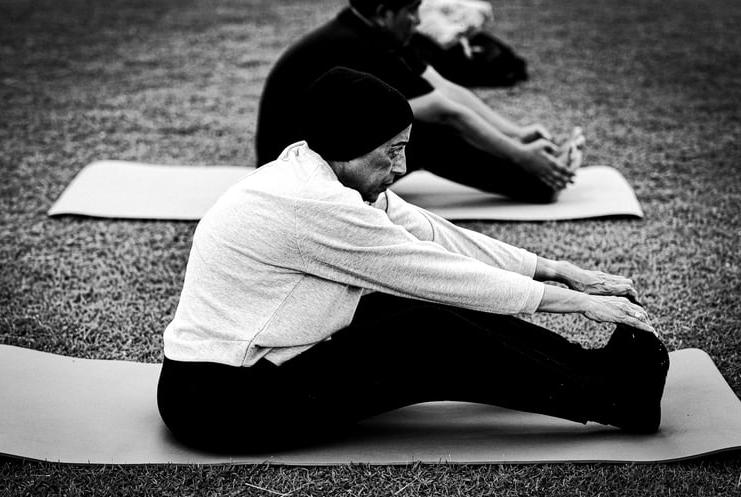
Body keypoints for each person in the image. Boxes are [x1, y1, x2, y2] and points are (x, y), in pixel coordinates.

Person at [159, 68, 669, 453]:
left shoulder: (320, 169)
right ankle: (616, 400)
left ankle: (597, 371)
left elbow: (435, 236)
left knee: (419, 313)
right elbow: (433, 274)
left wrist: (559, 271)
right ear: (347, 147)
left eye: (404, 150)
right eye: (391, 153)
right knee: (429, 333)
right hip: (222, 403)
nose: (400, 168)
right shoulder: (315, 205)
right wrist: (573, 303)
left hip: (256, 367)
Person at [255, 0, 581, 203]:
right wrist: (522, 157)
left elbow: (446, 89)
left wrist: (517, 134)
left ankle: (538, 173)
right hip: (288, 167)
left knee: (418, 128)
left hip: (324, 148)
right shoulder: (358, 44)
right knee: (422, 135)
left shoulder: (378, 31)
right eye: (411, 11)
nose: (417, 19)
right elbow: (445, 112)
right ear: (385, 13)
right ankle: (537, 182)